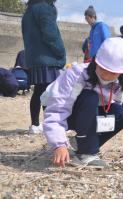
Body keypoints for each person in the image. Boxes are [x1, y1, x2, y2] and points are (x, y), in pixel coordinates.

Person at [42, 38, 123, 168]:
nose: (106, 76)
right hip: (63, 110)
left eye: (112, 73)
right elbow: (57, 109)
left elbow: (116, 104)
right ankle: (87, 153)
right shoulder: (77, 74)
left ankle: (81, 144)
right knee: (91, 97)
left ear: (122, 71)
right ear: (96, 61)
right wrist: (58, 144)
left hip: (89, 111)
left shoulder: (120, 82)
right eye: (103, 69)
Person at [22, 0, 66, 134]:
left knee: (39, 92)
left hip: (34, 58)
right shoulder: (45, 8)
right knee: (50, 93)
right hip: (47, 57)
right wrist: (61, 52)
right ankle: (50, 124)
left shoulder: (29, 10)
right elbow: (51, 35)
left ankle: (35, 125)